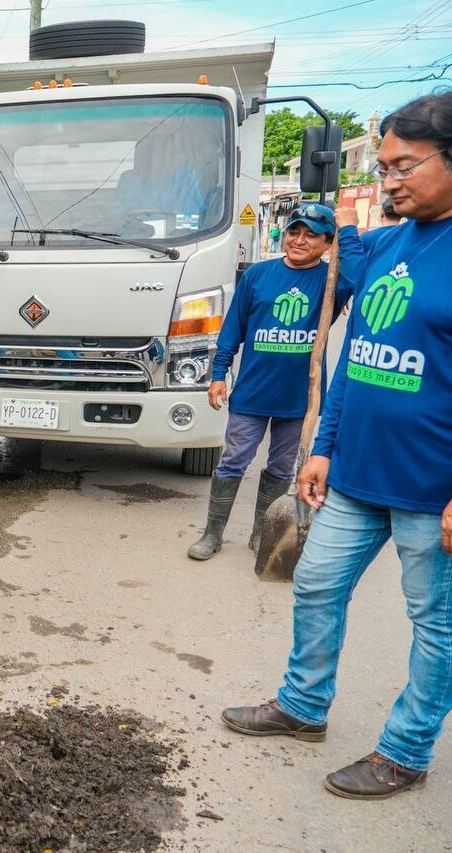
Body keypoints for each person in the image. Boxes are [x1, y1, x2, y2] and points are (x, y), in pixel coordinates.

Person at [222, 92, 452, 801]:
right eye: (382, 167)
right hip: (355, 473)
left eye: (404, 165)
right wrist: (323, 447)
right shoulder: (389, 242)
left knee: (434, 626)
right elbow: (355, 357)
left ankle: (405, 750)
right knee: (315, 582)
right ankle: (303, 705)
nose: (388, 181)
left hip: (430, 491)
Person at [188, 202, 344, 560]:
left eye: (312, 235)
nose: (300, 240)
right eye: (294, 231)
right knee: (233, 461)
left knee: (280, 468)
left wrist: (346, 234)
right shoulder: (258, 276)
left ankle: (262, 533)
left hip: (299, 398)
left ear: (327, 243)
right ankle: (213, 534)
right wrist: (218, 375)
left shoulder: (334, 281)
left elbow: (359, 262)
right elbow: (231, 332)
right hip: (253, 393)